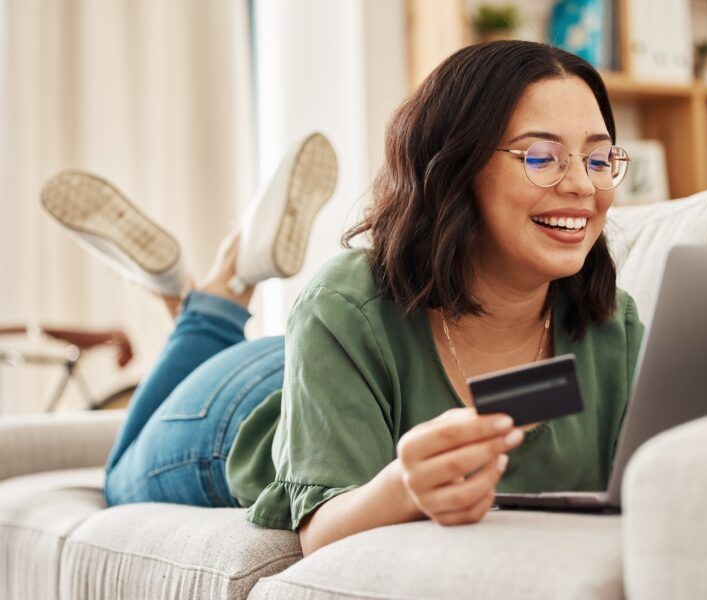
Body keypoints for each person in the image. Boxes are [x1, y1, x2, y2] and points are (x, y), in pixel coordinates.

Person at [42, 40, 643, 558]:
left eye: (598, 158)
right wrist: (404, 489)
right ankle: (212, 300)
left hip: (336, 366)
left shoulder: (615, 327)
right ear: (454, 168)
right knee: (119, 478)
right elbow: (320, 534)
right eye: (541, 157)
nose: (582, 185)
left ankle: (207, 285)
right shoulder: (344, 303)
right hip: (237, 411)